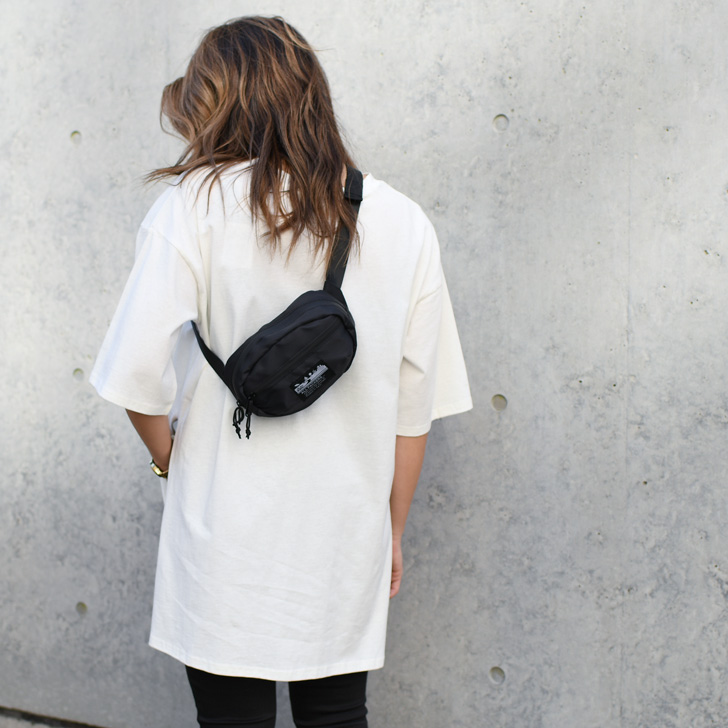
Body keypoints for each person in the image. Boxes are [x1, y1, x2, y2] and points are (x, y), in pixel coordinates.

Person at [90, 15, 472, 728]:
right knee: (338, 716)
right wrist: (390, 532)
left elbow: (135, 378)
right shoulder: (402, 221)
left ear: (216, 104)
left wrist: (171, 464)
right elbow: (412, 411)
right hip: (343, 537)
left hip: (222, 534)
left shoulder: (193, 207)